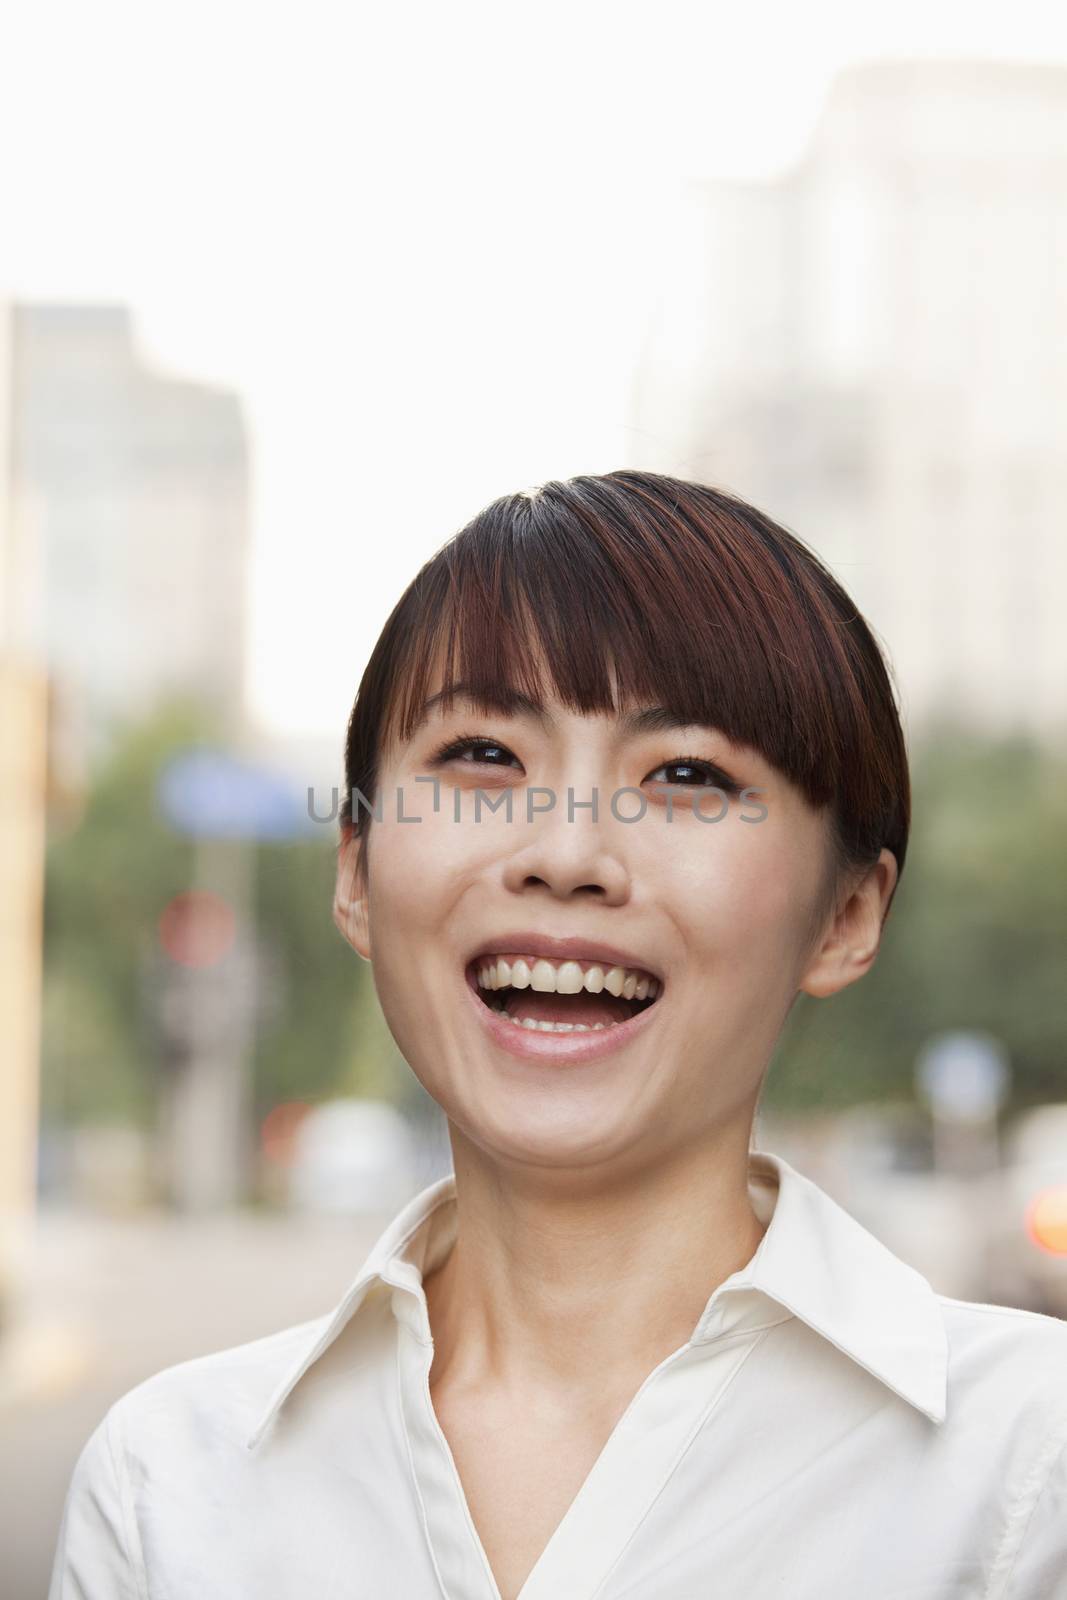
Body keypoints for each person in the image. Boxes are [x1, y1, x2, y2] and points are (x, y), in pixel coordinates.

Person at [49, 471, 1067, 1599]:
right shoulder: (169, 1492)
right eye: (482, 757)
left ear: (843, 915)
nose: (567, 849)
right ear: (354, 874)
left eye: (685, 774)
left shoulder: (1024, 1470)